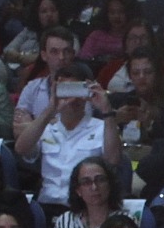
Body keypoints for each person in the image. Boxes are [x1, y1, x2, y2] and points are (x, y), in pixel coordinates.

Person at [14, 66, 121, 210]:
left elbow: (113, 160)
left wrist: (106, 109)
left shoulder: (102, 127)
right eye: (67, 89)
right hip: (47, 205)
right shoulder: (45, 127)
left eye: (77, 89)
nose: (73, 98)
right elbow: (21, 149)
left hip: (84, 207)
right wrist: (50, 110)